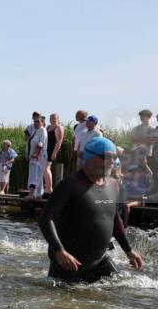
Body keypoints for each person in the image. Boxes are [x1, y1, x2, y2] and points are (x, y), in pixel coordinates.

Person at [38, 137, 143, 283]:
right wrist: (59, 251)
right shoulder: (71, 184)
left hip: (99, 261)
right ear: (88, 157)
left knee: (122, 293)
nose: (111, 162)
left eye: (114, 157)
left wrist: (128, 250)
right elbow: (45, 218)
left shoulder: (113, 185)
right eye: (105, 157)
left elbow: (113, 218)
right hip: (69, 262)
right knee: (63, 304)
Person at [25, 112, 47, 200]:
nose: (35, 123)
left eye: (38, 122)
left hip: (39, 156)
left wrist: (36, 154)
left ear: (42, 122)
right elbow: (28, 143)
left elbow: (40, 143)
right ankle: (38, 195)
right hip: (33, 156)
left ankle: (31, 194)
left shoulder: (42, 130)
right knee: (37, 175)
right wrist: (27, 153)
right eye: (35, 122)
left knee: (34, 175)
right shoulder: (35, 130)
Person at [44, 113, 64, 194]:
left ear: (58, 119)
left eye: (54, 118)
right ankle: (46, 187)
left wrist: (54, 153)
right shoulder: (48, 127)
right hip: (45, 149)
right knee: (43, 169)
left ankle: (49, 189)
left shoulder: (59, 127)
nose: (52, 119)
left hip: (52, 150)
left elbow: (59, 142)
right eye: (51, 118)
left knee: (46, 168)